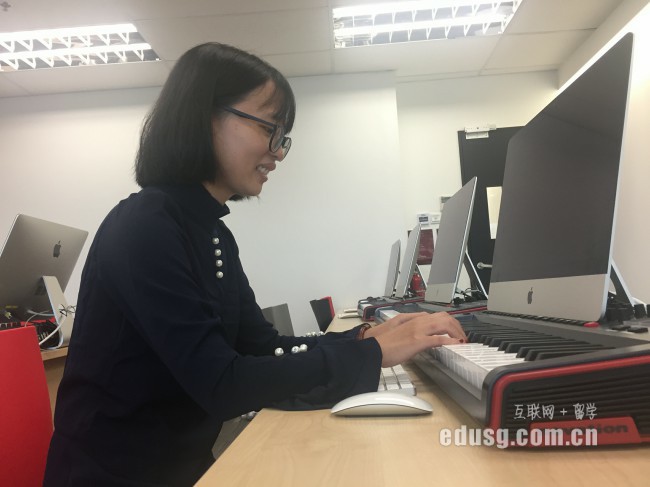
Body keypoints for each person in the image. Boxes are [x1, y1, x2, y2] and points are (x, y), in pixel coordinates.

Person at [43, 42, 466, 486]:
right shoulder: (145, 225)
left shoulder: (213, 233)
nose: (278, 152)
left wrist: (361, 339)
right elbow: (222, 383)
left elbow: (261, 347)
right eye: (269, 129)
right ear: (204, 117)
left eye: (282, 137)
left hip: (181, 470)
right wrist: (370, 353)